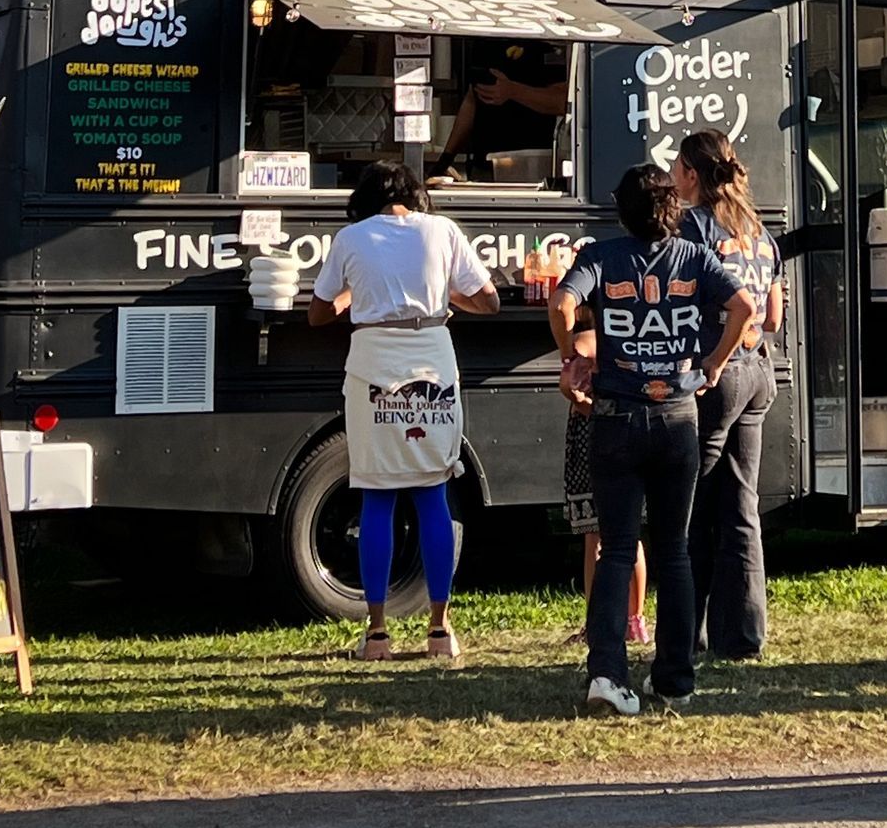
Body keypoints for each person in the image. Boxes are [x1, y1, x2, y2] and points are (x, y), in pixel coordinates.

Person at [550, 164, 753, 717]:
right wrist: (713, 363)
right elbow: (745, 307)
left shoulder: (599, 258)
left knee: (616, 548)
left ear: (622, 210)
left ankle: (608, 676)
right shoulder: (695, 257)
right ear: (672, 210)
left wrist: (572, 361)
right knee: (675, 552)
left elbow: (562, 304)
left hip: (614, 415)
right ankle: (674, 680)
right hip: (677, 416)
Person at [309, 161, 499, 660]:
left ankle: (375, 635)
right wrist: (441, 298)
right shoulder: (442, 230)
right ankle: (439, 631)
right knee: (432, 491)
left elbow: (318, 312)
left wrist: (353, 293)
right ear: (413, 197)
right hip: (432, 362)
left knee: (376, 494)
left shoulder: (351, 238)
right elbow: (490, 302)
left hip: (373, 366)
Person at [672, 127, 781, 659]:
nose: (672, 176)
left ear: (692, 175)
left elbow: (677, 295)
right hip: (761, 370)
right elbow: (775, 315)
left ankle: (685, 633)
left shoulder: (692, 227)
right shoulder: (759, 230)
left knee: (692, 506)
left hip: (717, 371)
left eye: (676, 167)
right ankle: (742, 635)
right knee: (742, 508)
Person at [560, 330, 649, 648]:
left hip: (592, 435)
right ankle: (635, 620)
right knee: (631, 533)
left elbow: (568, 386)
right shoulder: (629, 330)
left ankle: (595, 622)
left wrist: (582, 400)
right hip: (628, 426)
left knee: (594, 538)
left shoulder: (584, 340)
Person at [430, 41, 570, 182]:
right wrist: (446, 158)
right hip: (484, 166)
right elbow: (473, 99)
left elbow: (563, 102)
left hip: (531, 166)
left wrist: (513, 91)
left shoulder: (548, 42)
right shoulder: (486, 40)